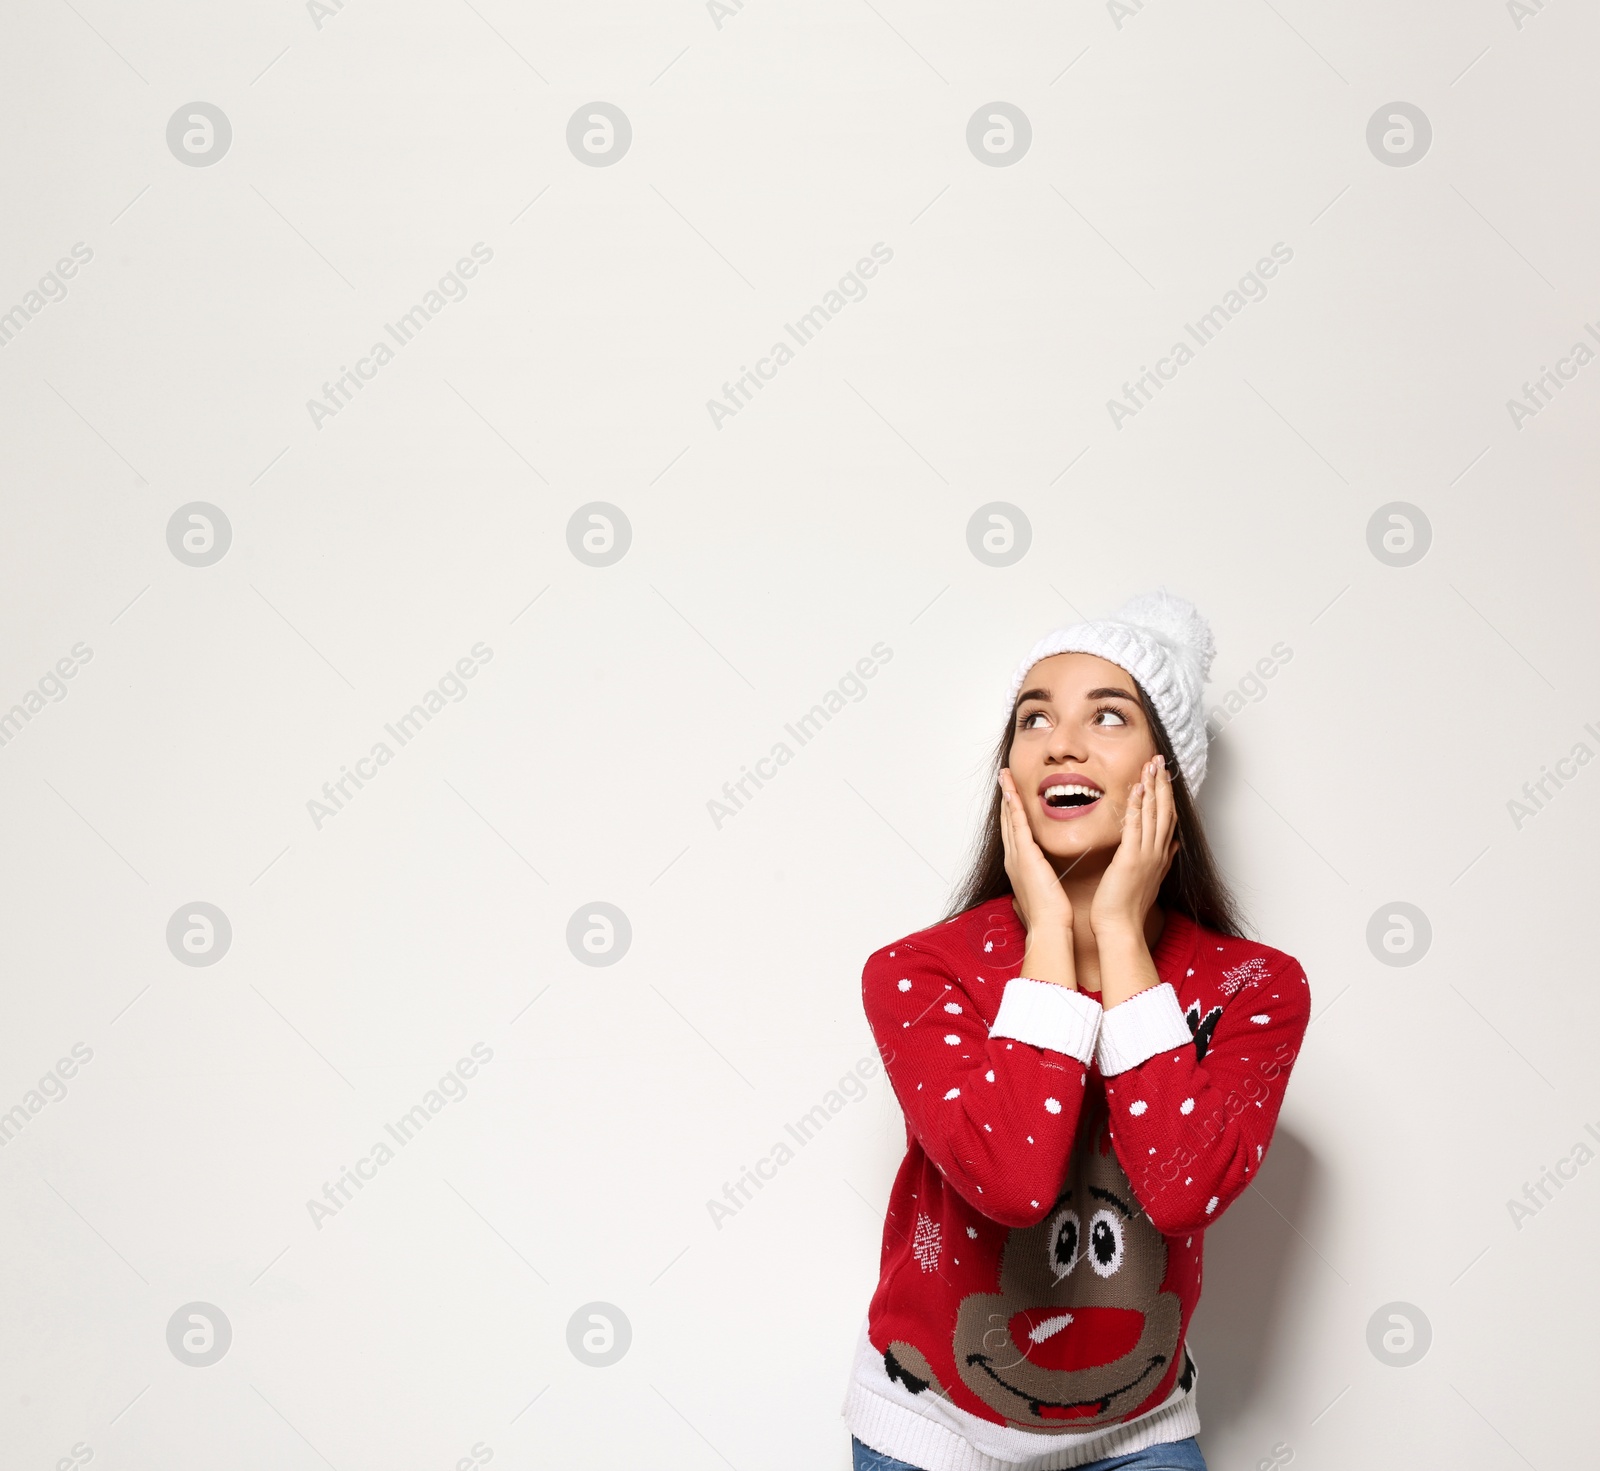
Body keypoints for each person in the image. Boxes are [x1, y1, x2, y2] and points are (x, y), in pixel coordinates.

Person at [841, 591, 1311, 1471]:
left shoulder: (1256, 987)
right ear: (1009, 776)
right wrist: (1052, 937)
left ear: (1164, 773)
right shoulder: (917, 972)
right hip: (928, 1424)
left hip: (1137, 1429)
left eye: (1108, 714)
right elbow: (1009, 1180)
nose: (1062, 740)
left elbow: (1180, 1190)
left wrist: (1124, 939)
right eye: (1034, 719)